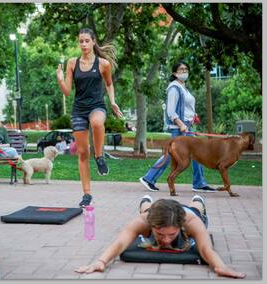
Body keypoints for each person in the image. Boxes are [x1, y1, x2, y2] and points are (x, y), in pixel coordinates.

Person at [75, 195, 246, 279]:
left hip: (189, 212)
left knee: (196, 207)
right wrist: (101, 261)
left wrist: (220, 266)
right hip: (153, 212)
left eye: (171, 234)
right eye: (159, 234)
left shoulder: (191, 222)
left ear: (180, 227)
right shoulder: (144, 221)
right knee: (145, 210)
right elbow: (120, 242)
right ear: (152, 226)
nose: (165, 240)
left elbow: (205, 248)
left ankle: (198, 200)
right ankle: (146, 201)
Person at [56, 28, 123, 207]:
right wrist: (60, 79)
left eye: (87, 40)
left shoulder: (103, 64)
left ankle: (100, 156)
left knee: (97, 122)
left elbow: (109, 85)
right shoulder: (72, 63)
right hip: (78, 110)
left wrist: (113, 102)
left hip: (96, 106)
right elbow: (67, 91)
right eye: (81, 41)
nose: (83, 44)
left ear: (93, 42)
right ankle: (87, 194)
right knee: (83, 153)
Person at [139, 61, 215, 193]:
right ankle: (149, 178)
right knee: (171, 154)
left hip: (187, 125)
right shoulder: (174, 88)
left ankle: (199, 183)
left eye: (186, 69)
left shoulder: (183, 88)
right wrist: (181, 125)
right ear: (174, 73)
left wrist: (193, 116)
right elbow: (171, 111)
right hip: (179, 128)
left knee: (197, 152)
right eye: (181, 69)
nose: (184, 71)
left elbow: (185, 107)